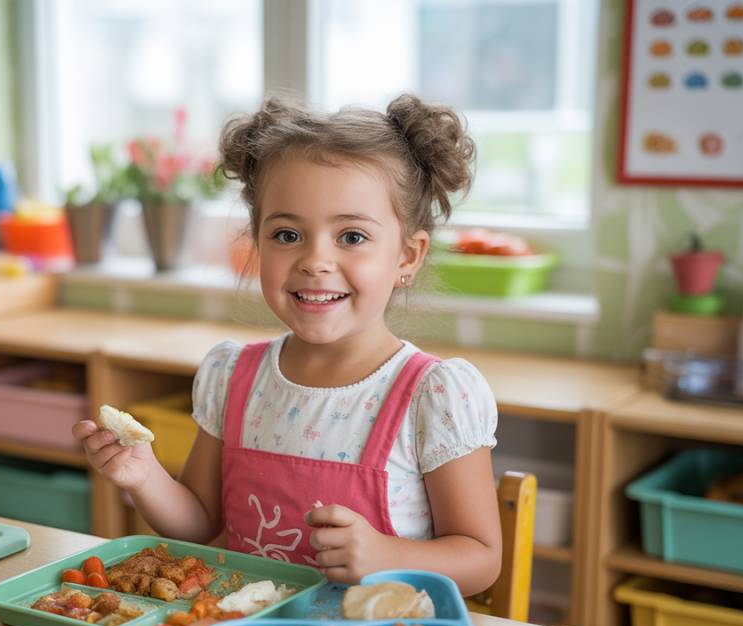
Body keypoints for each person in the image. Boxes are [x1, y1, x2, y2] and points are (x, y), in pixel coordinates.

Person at [75, 95, 501, 594]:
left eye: (352, 237)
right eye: (287, 234)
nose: (315, 261)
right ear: (257, 242)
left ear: (407, 256)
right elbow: (199, 525)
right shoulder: (233, 376)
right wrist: (145, 477)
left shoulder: (434, 395)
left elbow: (481, 559)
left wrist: (388, 557)